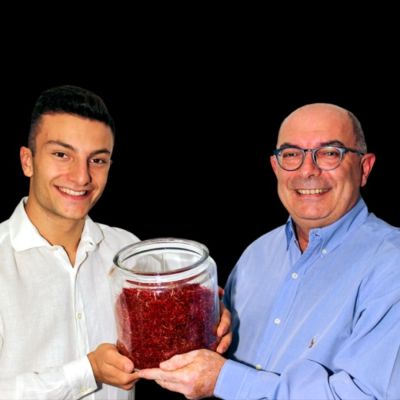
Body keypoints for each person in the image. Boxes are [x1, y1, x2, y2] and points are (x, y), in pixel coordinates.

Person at [137, 103, 400, 399]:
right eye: (292, 155)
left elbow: (366, 395)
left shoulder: (392, 264)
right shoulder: (257, 255)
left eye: (329, 153)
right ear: (276, 167)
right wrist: (205, 324)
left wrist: (225, 380)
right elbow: (211, 361)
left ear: (364, 168)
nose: (308, 170)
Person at [0, 85, 231, 399]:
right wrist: (88, 371)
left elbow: (186, 308)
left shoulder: (127, 252)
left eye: (97, 160)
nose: (81, 177)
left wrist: (212, 315)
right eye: (61, 155)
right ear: (27, 161)